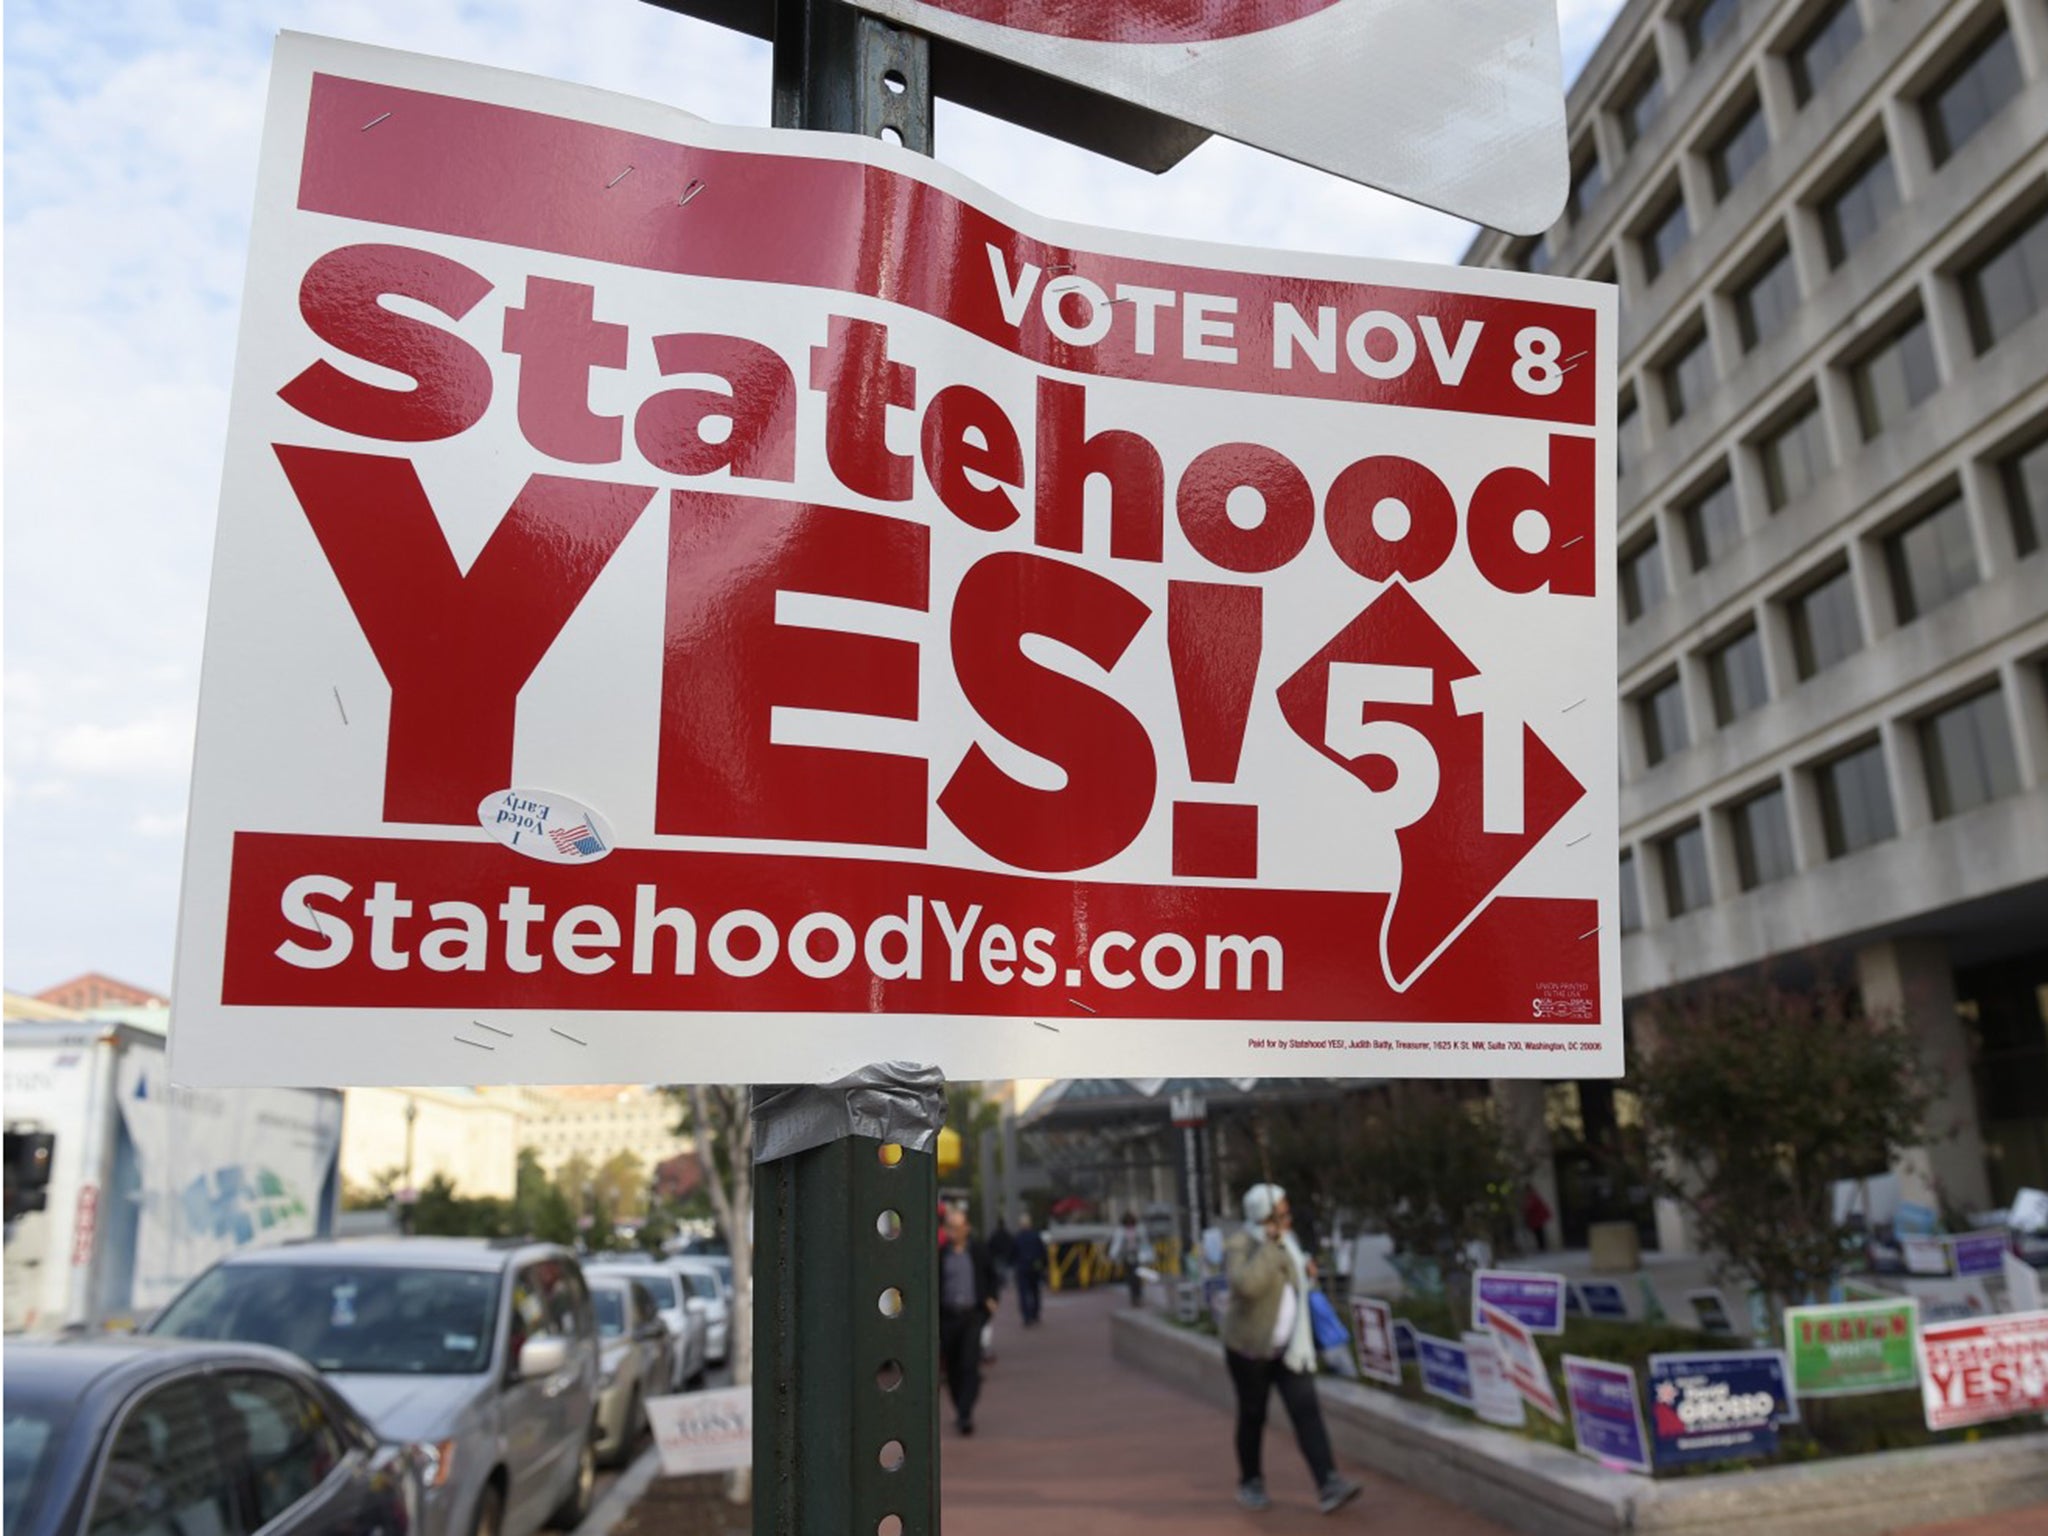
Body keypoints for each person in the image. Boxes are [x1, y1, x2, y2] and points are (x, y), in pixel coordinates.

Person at [1222, 1183, 1361, 1514]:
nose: (1288, 1219)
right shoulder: (1241, 1243)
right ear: (1264, 1216)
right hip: (1250, 1350)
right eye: (1282, 1214)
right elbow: (1246, 1286)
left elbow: (1294, 1282)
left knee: (1306, 1412)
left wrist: (1307, 1273)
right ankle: (1250, 1481)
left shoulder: (1289, 1241)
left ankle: (1328, 1482)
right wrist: (1271, 1246)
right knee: (1253, 1415)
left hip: (1290, 1349)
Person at [938, 1204, 1000, 1434]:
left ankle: (965, 1414)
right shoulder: (940, 1255)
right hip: (948, 1317)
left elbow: (993, 1277)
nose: (954, 1231)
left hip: (973, 1315)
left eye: (958, 1227)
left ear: (967, 1228)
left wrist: (992, 1299)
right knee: (953, 1367)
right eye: (950, 1227)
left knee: (969, 1364)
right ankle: (959, 1406)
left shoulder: (979, 1251)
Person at [1011, 1212, 1049, 1326]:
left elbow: (1013, 1253)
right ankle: (1035, 1313)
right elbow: (1042, 1252)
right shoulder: (1035, 1236)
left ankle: (1026, 1316)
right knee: (1035, 1291)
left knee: (1023, 1293)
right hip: (1035, 1267)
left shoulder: (1018, 1237)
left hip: (1022, 1268)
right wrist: (1044, 1265)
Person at [1109, 1211, 1151, 1307]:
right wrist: (1114, 1255)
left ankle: (1138, 1295)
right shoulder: (1120, 1231)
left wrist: (1147, 1255)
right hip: (1126, 1256)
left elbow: (1144, 1242)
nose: (1129, 1223)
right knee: (1130, 1277)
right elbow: (1117, 1244)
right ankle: (1133, 1296)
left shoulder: (1139, 1229)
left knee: (1137, 1276)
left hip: (1137, 1255)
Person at [1522, 1183, 1553, 1253]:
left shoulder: (1532, 1197)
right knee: (1539, 1233)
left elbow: (1531, 1207)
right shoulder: (1533, 1196)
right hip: (1536, 1219)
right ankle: (1542, 1247)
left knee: (1539, 1233)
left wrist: (1526, 1209)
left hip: (1537, 1219)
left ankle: (1542, 1247)